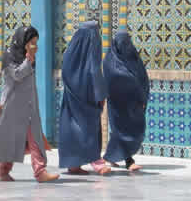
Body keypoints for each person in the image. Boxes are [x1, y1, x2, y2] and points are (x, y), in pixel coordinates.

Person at [0, 26, 59, 183]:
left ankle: (40, 171)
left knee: (34, 137)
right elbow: (16, 75)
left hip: (28, 105)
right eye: (31, 42)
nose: (34, 46)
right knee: (10, 140)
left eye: (36, 43)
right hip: (12, 107)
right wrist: (29, 59)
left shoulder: (27, 58)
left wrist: (29, 59)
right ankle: (3, 170)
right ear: (22, 42)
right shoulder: (9, 57)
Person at [58, 21, 111, 175]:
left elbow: (66, 73)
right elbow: (94, 71)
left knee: (71, 129)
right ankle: (97, 162)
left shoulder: (70, 52)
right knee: (89, 127)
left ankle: (73, 165)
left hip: (72, 98)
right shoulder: (91, 48)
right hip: (87, 98)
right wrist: (100, 95)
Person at [103, 31, 149, 172]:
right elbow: (113, 80)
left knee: (134, 130)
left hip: (134, 103)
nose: (126, 45)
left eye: (128, 41)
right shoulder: (110, 61)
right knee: (122, 131)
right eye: (123, 42)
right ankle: (129, 161)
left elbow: (142, 77)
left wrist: (142, 96)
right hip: (118, 103)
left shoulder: (133, 57)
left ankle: (110, 157)